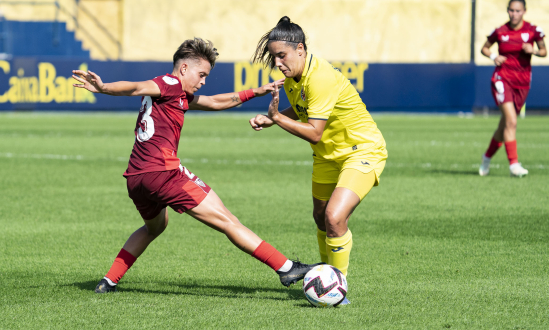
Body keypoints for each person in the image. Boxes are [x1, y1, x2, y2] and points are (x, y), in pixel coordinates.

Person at [72, 38, 320, 293]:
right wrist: (104, 87)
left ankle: (108, 281)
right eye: (201, 75)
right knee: (227, 220)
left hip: (136, 178)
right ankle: (286, 268)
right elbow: (136, 87)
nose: (203, 81)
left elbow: (213, 102)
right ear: (183, 70)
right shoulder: (168, 83)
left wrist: (256, 91)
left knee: (155, 227)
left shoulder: (177, 95)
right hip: (164, 173)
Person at [249, 17, 388, 305]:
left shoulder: (321, 77)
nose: (277, 62)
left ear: (300, 49)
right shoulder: (293, 78)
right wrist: (274, 119)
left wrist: (275, 118)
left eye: (281, 55)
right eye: (274, 57)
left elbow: (314, 132)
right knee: (320, 218)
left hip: (362, 151)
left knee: (335, 218)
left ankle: (337, 285)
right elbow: (302, 108)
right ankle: (325, 274)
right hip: (327, 157)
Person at [479, 0, 546, 177]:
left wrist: (534, 50)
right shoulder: (500, 31)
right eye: (511, 10)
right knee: (512, 121)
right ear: (508, 11)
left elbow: (544, 51)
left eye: (518, 10)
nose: (514, 14)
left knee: (504, 126)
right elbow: (484, 48)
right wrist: (494, 55)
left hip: (522, 83)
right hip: (502, 79)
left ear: (524, 11)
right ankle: (514, 165)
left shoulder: (533, 31)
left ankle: (486, 158)